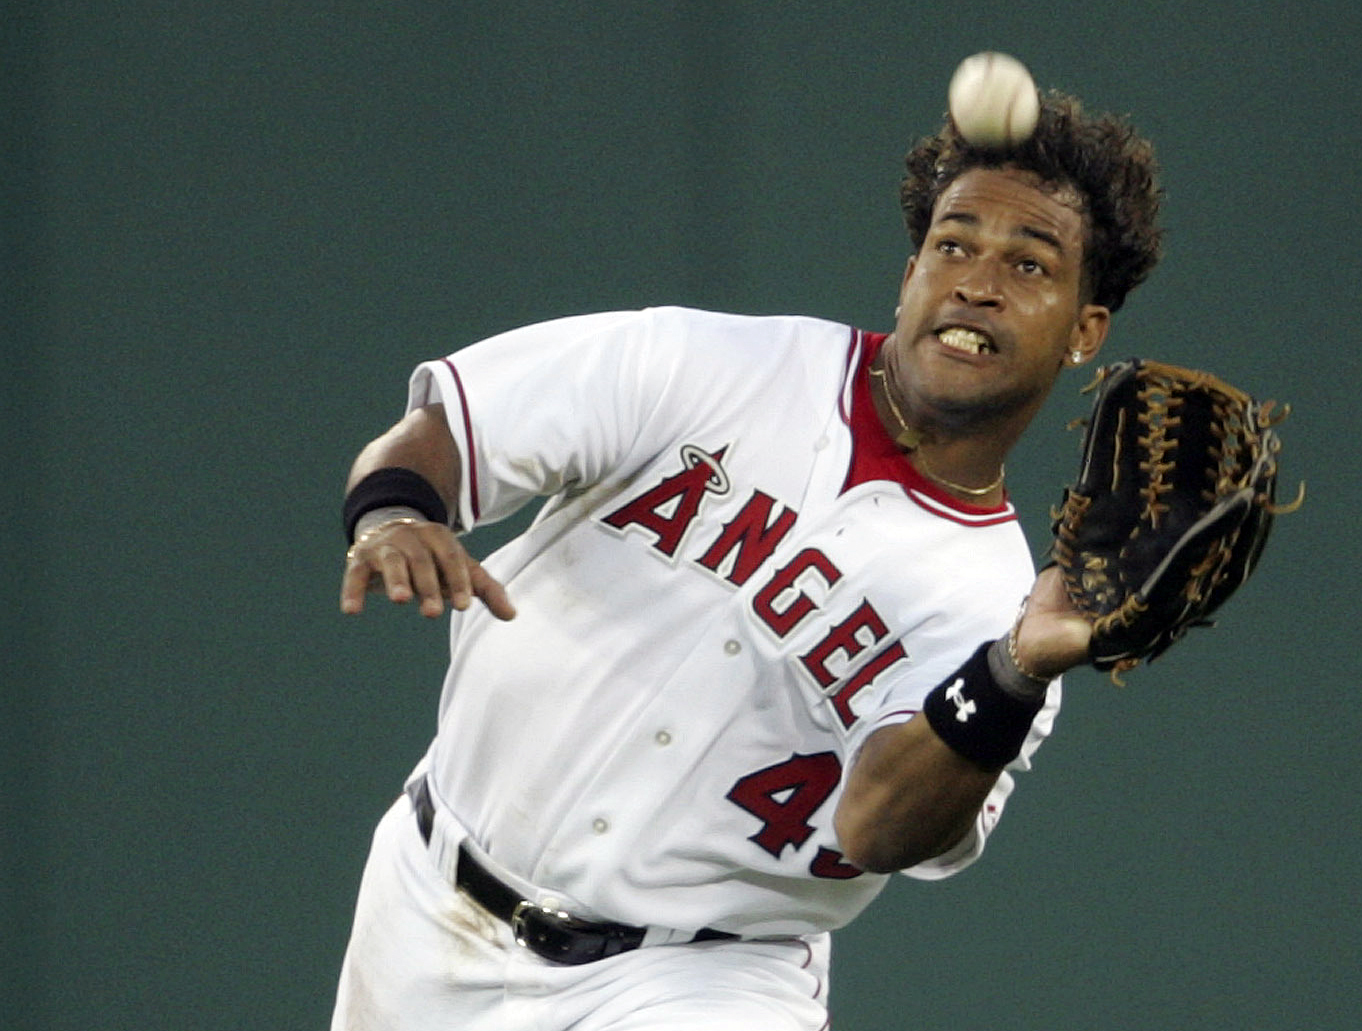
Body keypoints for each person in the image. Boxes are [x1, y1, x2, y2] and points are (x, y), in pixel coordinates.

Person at [331, 89, 1163, 1030]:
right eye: (954, 243)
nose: (976, 281)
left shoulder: (1002, 609)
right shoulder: (710, 366)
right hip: (427, 903)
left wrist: (1013, 671)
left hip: (700, 982)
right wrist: (396, 512)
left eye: (1028, 262)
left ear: (1086, 330)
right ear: (909, 272)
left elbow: (878, 827)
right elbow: (446, 432)